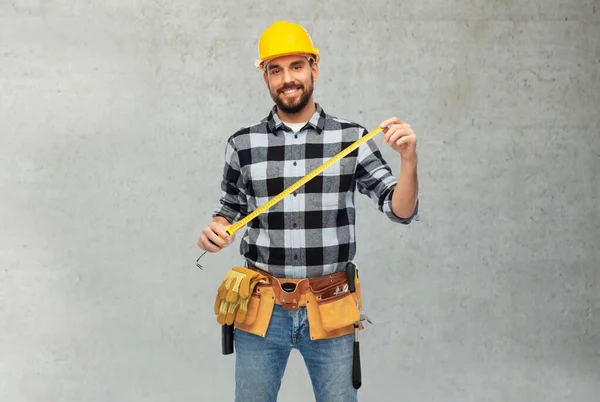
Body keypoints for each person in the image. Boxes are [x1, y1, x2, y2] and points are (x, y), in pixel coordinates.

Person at [197, 20, 420, 402]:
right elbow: (230, 208)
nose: (287, 78)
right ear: (265, 77)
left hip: (330, 305)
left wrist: (409, 162)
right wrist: (215, 230)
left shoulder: (352, 139)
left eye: (296, 66)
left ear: (314, 68)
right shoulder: (243, 143)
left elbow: (398, 209)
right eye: (275, 69)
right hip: (261, 308)